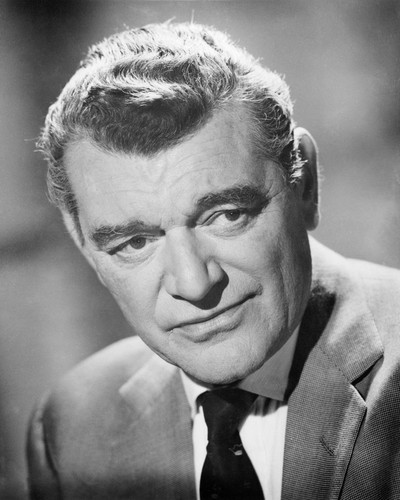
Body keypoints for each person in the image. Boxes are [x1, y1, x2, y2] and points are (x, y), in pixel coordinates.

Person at [27, 22, 400, 500]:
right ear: (83, 243)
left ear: (304, 183)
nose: (193, 284)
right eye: (135, 242)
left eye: (226, 215)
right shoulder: (71, 427)